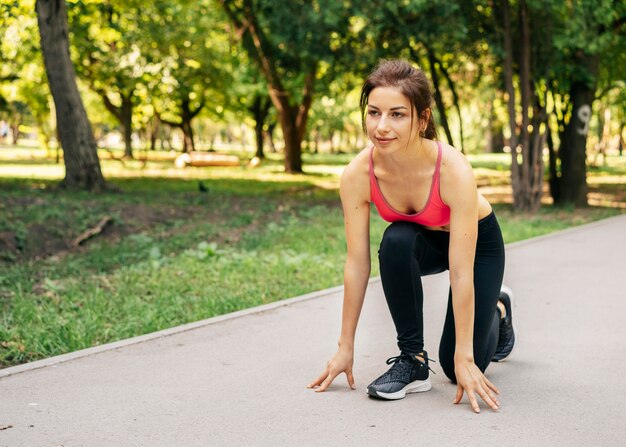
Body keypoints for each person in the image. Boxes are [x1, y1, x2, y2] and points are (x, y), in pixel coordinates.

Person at [307, 59, 516, 413]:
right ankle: (412, 359)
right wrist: (345, 346)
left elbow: (461, 270)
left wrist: (465, 357)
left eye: (397, 115)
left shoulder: (453, 170)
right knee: (396, 240)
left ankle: (497, 308)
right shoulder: (358, 174)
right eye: (374, 113)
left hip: (477, 246)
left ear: (422, 119)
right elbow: (357, 264)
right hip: (422, 242)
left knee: (458, 367)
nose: (382, 127)